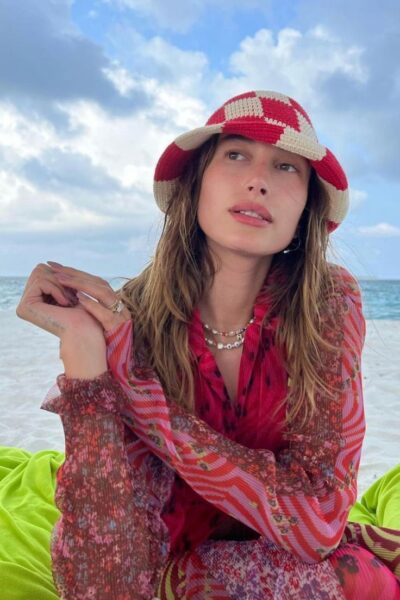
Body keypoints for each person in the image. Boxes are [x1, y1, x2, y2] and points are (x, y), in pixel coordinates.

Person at [16, 90, 400, 599]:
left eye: (286, 166)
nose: (258, 180)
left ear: (307, 206)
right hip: (181, 568)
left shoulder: (327, 302)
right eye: (235, 154)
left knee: (344, 580)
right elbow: (100, 585)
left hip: (297, 559)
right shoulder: (134, 322)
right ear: (196, 182)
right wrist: (87, 362)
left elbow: (318, 526)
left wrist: (140, 395)